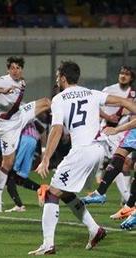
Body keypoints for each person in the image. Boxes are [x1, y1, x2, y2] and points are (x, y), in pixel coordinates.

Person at [30, 61, 136, 255]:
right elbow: (122, 101)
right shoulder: (92, 93)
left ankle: (48, 244)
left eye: (57, 76)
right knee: (66, 192)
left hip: (83, 151)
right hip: (99, 150)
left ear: (63, 78)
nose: (56, 79)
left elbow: (56, 129)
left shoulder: (59, 98)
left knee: (52, 193)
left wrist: (45, 158)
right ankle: (95, 229)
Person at [0, 56, 51, 212]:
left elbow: (7, 102)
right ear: (8, 70)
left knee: (47, 102)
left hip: (19, 115)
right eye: (12, 68)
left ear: (22, 70)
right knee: (7, 164)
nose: (15, 70)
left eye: (18, 68)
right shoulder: (5, 80)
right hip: (7, 127)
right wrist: (1, 90)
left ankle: (66, 118)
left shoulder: (22, 82)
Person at [92, 66, 135, 203]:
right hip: (108, 131)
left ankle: (125, 198)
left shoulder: (133, 93)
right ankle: (127, 199)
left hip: (124, 131)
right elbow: (94, 106)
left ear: (131, 78)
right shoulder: (109, 90)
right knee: (118, 162)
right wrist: (107, 116)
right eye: (121, 73)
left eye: (127, 74)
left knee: (125, 163)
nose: (123, 76)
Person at [97, 118, 136, 229]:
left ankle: (129, 205)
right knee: (127, 164)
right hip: (130, 131)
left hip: (126, 129)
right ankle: (129, 205)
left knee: (124, 164)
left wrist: (117, 129)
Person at [4, 115, 47, 212]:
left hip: (24, 140)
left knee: (10, 174)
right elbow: (42, 130)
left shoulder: (13, 111)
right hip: (32, 141)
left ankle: (19, 205)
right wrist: (43, 150)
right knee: (19, 177)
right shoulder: (28, 111)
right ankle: (40, 189)